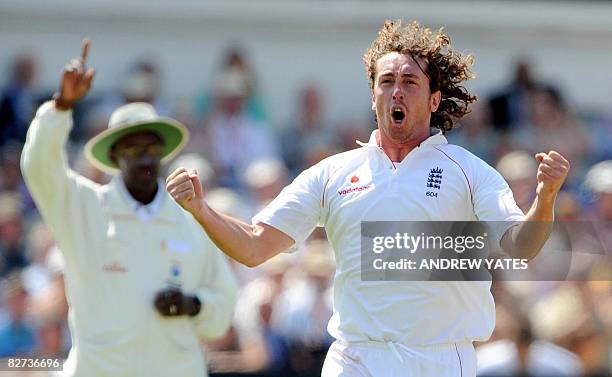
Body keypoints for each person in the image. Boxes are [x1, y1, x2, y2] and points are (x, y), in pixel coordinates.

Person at [166, 20, 570, 376]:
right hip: (354, 359)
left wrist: (546, 197)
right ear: (373, 95)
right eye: (386, 82)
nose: (396, 92)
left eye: (410, 82)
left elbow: (521, 246)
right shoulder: (332, 172)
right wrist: (201, 210)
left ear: (433, 100)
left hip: (439, 361)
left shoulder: (469, 170)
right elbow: (254, 247)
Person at [21, 40, 238, 377]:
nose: (145, 156)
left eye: (152, 146)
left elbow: (222, 309)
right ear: (114, 157)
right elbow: (39, 168)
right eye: (133, 148)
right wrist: (61, 106)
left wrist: (192, 305)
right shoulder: (84, 206)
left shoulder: (191, 219)